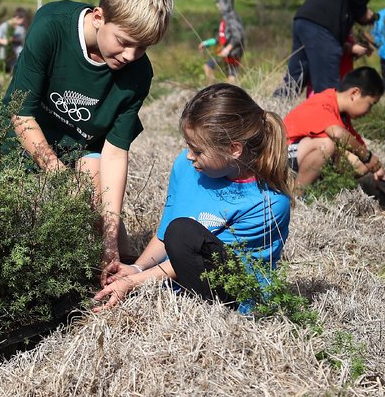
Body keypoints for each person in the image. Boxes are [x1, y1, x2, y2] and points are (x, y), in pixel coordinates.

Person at [0, 0, 174, 278]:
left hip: (83, 147)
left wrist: (110, 234)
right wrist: (59, 176)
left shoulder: (138, 74)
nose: (131, 55)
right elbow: (21, 115)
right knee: (8, 231)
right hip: (23, 136)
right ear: (100, 16)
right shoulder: (52, 27)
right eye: (124, 41)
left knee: (103, 235)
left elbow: (114, 153)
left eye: (142, 47)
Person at [93, 84, 292, 311]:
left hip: (233, 293)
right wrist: (137, 269)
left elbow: (200, 254)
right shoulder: (187, 167)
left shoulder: (269, 202)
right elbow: (166, 229)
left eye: (197, 150)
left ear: (233, 149)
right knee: (174, 232)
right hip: (185, 272)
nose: (189, 156)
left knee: (183, 231)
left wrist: (134, 283)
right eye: (188, 146)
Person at [284, 66, 385, 190]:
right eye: (370, 104)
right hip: (281, 157)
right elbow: (337, 134)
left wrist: (375, 166)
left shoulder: (342, 116)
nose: (369, 112)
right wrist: (368, 157)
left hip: (300, 159)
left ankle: (326, 190)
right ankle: (297, 195)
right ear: (355, 93)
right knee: (327, 145)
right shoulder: (323, 102)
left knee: (362, 164)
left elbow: (359, 149)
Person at [198, 0, 244, 83]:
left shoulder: (232, 17)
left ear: (225, 3)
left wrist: (227, 49)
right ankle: (216, 89)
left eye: (219, 2)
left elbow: (238, 36)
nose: (217, 5)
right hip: (224, 51)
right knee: (209, 67)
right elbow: (220, 37)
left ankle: (223, 92)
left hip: (233, 52)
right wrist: (206, 43)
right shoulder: (225, 18)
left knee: (231, 76)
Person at [0, 7, 29, 73]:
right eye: (20, 17)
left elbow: (22, 39)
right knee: (4, 63)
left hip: (16, 53)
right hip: (4, 51)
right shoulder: (5, 25)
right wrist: (3, 41)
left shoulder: (21, 29)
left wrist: (13, 39)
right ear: (16, 17)